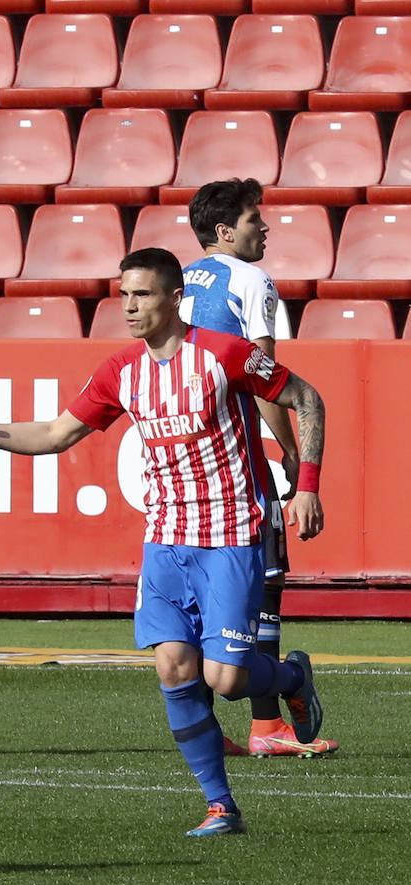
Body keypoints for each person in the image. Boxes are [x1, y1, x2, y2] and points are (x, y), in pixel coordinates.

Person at [0, 248, 327, 837]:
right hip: (165, 540)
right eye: (123, 295)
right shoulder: (120, 370)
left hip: (230, 535)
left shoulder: (224, 355)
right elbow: (55, 433)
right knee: (175, 668)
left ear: (176, 298)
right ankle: (220, 806)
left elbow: (305, 398)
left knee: (225, 680)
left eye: (142, 294)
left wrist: (306, 485)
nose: (129, 307)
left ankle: (291, 678)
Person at [183, 177, 339, 758]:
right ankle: (268, 723)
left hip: (184, 459)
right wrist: (296, 463)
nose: (265, 228)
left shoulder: (177, 280)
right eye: (255, 220)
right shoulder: (251, 280)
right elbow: (266, 379)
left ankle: (204, 731)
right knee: (264, 583)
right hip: (237, 456)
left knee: (193, 598)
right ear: (226, 231)